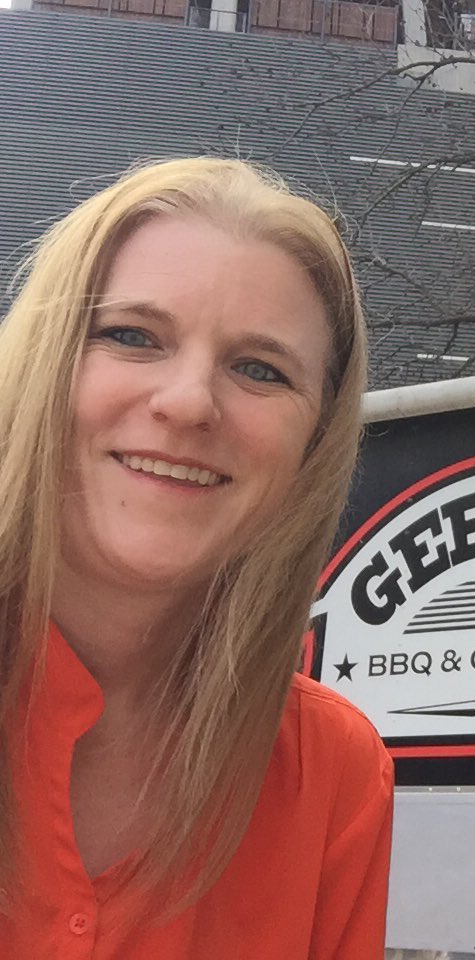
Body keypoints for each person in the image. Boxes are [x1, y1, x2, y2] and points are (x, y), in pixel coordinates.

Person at [0, 158, 392, 957]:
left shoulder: (331, 774)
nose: (187, 404)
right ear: (42, 363)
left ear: (314, 445)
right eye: (132, 336)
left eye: (260, 369)